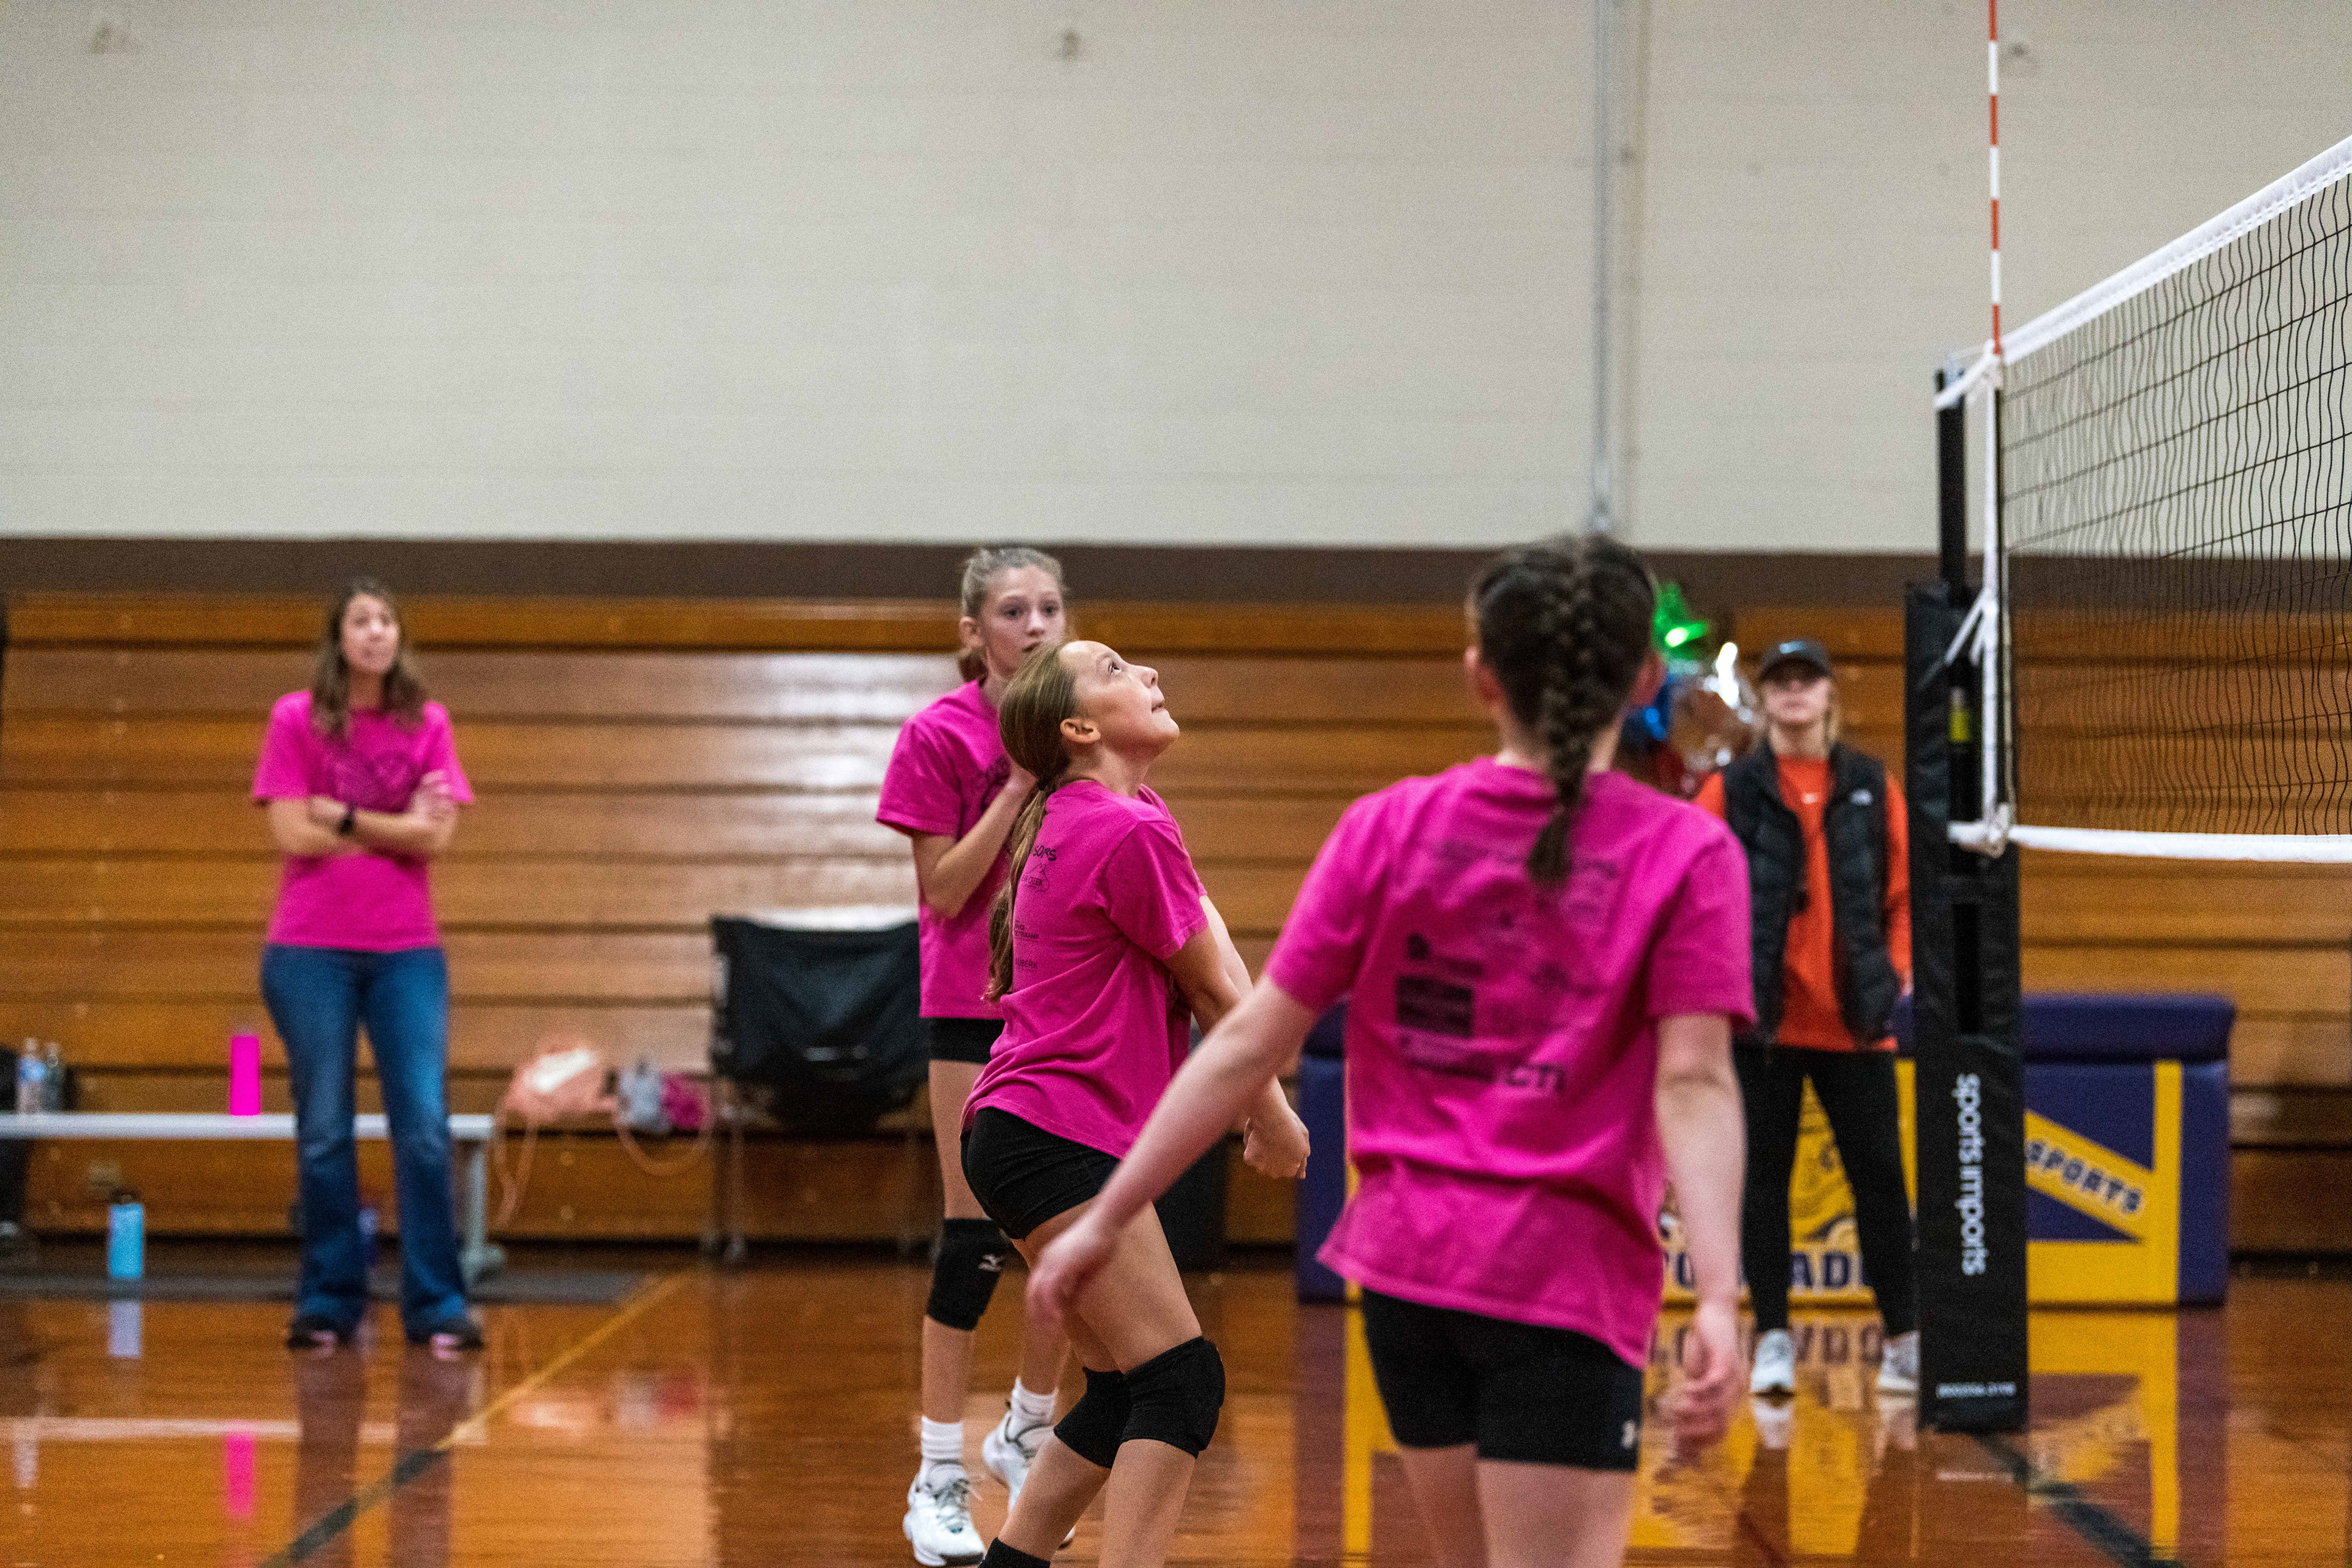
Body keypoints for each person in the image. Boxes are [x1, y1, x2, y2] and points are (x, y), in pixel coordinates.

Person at [1028, 535, 1752, 1568]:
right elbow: (1695, 1080)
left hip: (1412, 1276)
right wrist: (1718, 1294)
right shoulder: (1689, 850)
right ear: (1645, 681)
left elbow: (1247, 1044)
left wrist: (1106, 1219)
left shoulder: (1390, 826)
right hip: (1564, 1275)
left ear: (1481, 676)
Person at [960, 638, 1310, 1568]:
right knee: (1181, 1382)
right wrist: (1271, 1114)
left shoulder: (1119, 813)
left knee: (1123, 1390)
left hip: (1020, 1132)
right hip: (1053, 1133)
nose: (1149, 675)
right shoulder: (1122, 831)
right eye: (1116, 670)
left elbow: (1214, 951)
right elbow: (1213, 991)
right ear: (1078, 727)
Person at [876, 548, 1076, 1565]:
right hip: (967, 1005)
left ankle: (1028, 1429)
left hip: (1060, 1010)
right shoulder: (939, 736)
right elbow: (947, 889)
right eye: (1013, 610)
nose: (1036, 625)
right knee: (973, 1243)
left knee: (1067, 1248)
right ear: (974, 632)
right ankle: (937, 1476)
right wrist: (1017, 788)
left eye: (1050, 607)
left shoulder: (1083, 729)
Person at [252, 579, 477, 1354]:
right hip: (309, 950)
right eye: (361, 620)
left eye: (387, 619)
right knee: (324, 1129)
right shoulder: (295, 718)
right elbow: (293, 833)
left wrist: (345, 816)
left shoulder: (429, 722)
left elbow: (436, 839)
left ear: (399, 637)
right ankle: (328, 1299)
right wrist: (397, 827)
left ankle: (438, 1303)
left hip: (406, 951)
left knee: (424, 1126)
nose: (376, 632)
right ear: (339, 637)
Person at [1694, 637, 1918, 1399]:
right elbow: (1695, 884)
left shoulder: (1872, 784)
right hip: (1764, 1026)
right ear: (1766, 699)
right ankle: (1774, 1340)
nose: (1795, 690)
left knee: (1881, 1183)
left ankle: (1904, 1339)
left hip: (1856, 1022)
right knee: (1763, 1184)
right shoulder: (1732, 789)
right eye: (1781, 680)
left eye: (1807, 679)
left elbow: (1903, 893)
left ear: (1828, 695)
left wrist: (1894, 973)